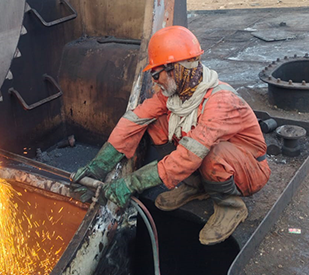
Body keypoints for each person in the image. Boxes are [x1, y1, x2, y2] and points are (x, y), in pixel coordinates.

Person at [74, 26, 270, 245]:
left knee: (210, 153)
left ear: (176, 69)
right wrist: (99, 164)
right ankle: (195, 185)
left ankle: (229, 206)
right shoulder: (178, 95)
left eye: (157, 74)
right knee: (157, 123)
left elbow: (189, 155)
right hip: (213, 161)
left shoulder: (221, 101)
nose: (155, 80)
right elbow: (134, 120)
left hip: (249, 171)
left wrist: (132, 183)